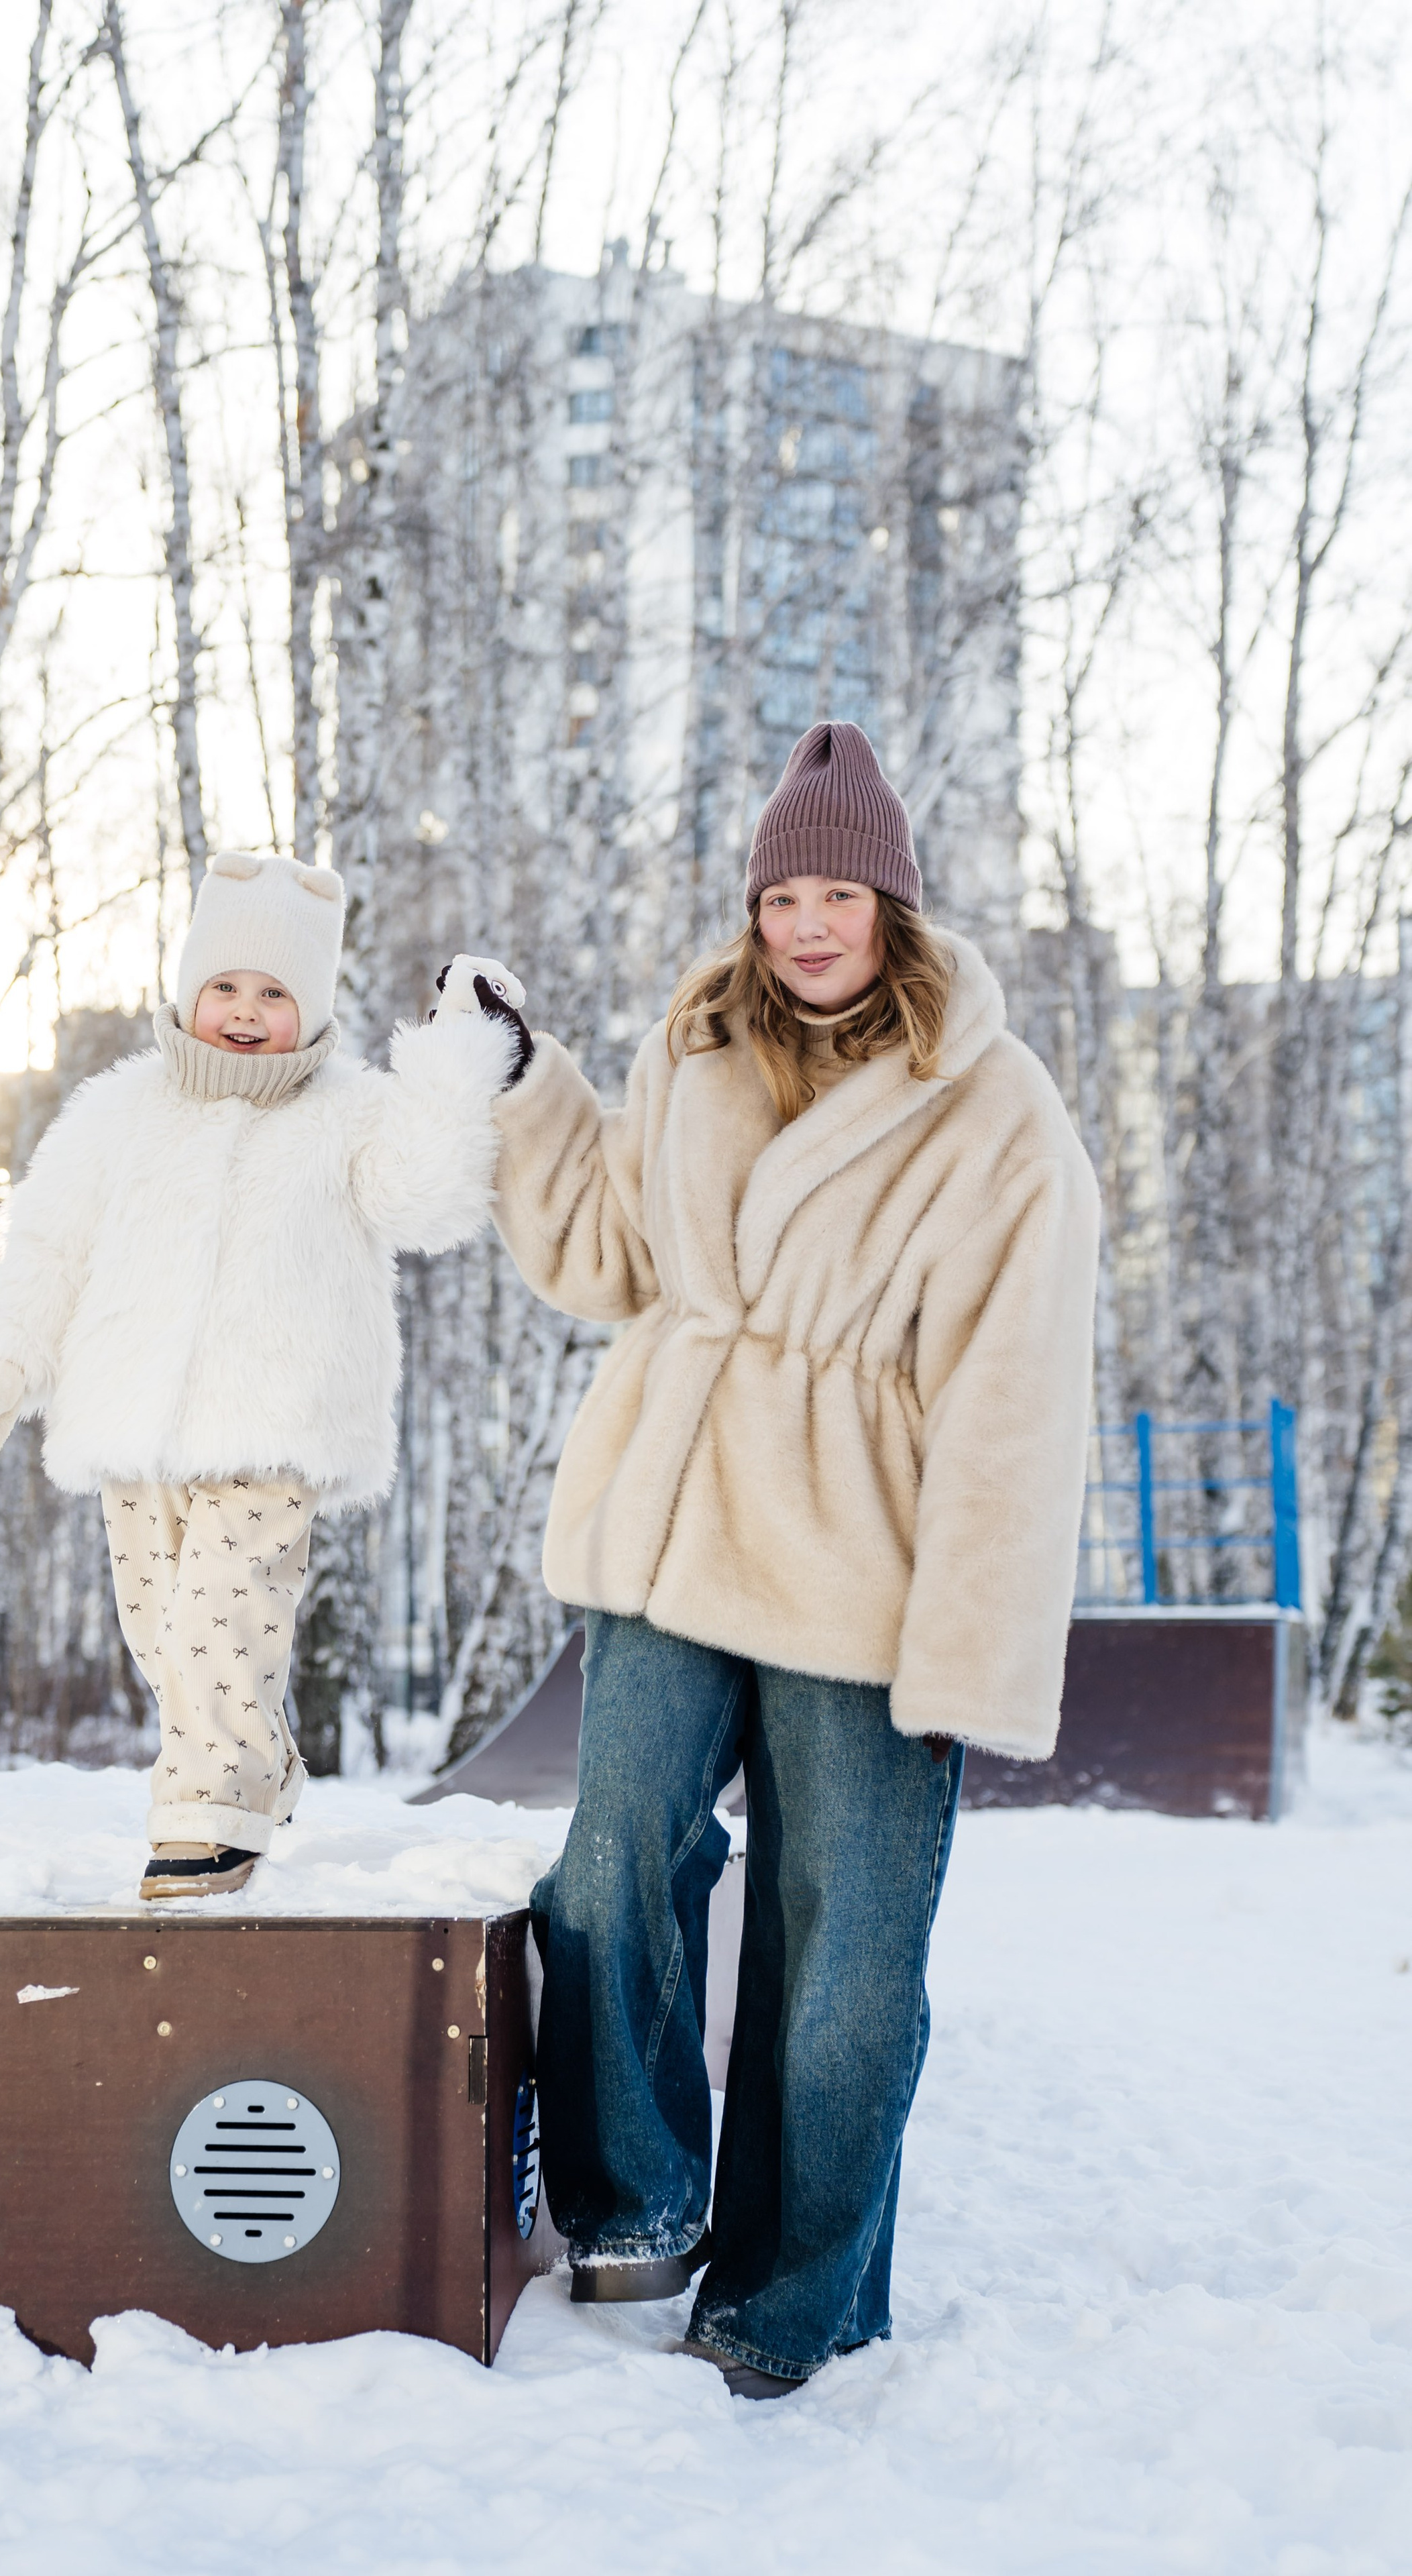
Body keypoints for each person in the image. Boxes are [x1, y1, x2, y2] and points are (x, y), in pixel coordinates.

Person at [487, 723, 1099, 2398]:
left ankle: (791, 2298)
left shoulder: (991, 1107)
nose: (805, 923)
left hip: (863, 1563)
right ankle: (634, 2202)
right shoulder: (694, 1048)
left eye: (836, 891)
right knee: (609, 1859)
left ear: (890, 905)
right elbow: (610, 1258)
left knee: (845, 1966)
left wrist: (967, 1641)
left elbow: (1014, 1396)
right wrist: (529, 1091)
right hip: (674, 1528)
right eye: (780, 893)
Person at [0, 852, 529, 1900]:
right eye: (227, 988)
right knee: (166, 1634)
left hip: (274, 1423)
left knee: (223, 1611)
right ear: (189, 991)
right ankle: (262, 1764)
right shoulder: (118, 1113)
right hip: (128, 1422)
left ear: (311, 1008)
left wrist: (455, 1059)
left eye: (276, 994)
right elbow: (48, 1250)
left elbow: (430, 1198)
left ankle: (207, 1822)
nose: (247, 1013)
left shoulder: (348, 1112)